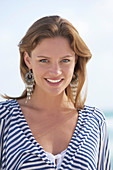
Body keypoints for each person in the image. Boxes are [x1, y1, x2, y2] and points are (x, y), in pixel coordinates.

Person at [0, 15, 111, 170]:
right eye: (44, 60)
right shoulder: (4, 117)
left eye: (65, 60)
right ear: (28, 60)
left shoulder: (95, 121)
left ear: (75, 61)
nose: (55, 71)